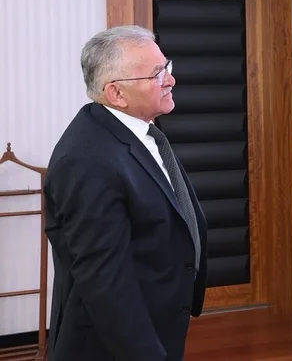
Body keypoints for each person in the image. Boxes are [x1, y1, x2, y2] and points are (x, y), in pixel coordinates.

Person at [43, 25, 207, 361]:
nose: (171, 79)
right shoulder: (88, 160)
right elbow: (105, 282)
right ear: (116, 93)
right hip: (115, 345)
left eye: (167, 66)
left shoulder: (135, 130)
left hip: (156, 321)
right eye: (157, 74)